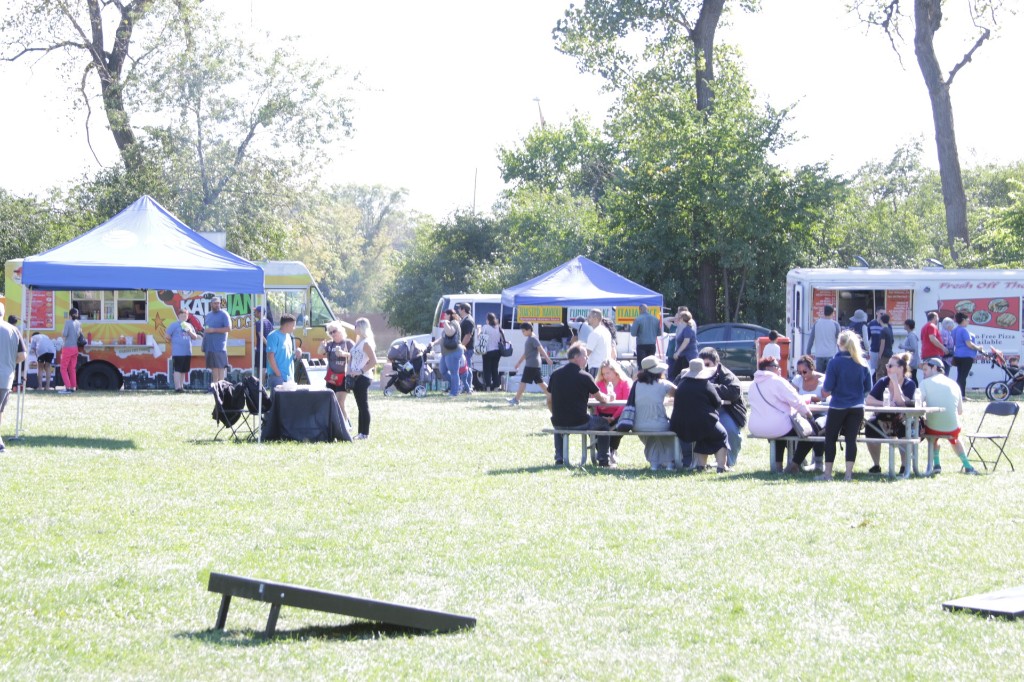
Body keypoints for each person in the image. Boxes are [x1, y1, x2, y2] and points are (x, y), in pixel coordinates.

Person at [748, 357, 820, 474]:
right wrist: (809, 415)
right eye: (777, 366)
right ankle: (795, 464)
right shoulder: (778, 381)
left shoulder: (753, 385)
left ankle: (778, 466)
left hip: (756, 427)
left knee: (779, 430)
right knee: (813, 431)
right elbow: (797, 401)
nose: (780, 369)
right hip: (777, 426)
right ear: (768, 368)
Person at [818, 329, 873, 481]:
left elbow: (827, 388)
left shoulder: (834, 363)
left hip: (838, 405)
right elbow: (868, 388)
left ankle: (828, 474)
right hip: (857, 406)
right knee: (851, 439)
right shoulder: (862, 363)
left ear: (839, 343)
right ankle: (848, 474)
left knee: (830, 438)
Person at [547, 343, 610, 466]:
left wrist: (555, 413)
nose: (587, 359)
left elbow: (549, 400)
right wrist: (609, 397)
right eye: (585, 356)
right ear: (576, 357)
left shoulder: (555, 374)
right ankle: (603, 459)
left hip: (558, 421)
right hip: (580, 422)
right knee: (603, 423)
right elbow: (600, 398)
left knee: (559, 425)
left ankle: (559, 458)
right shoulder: (585, 376)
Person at [918, 358, 981, 475]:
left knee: (930, 434)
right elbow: (960, 411)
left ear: (934, 368)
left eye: (925, 369)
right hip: (953, 428)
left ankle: (936, 464)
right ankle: (967, 466)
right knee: (955, 439)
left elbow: (918, 406)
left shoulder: (924, 383)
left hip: (932, 428)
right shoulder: (954, 384)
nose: (924, 373)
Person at [670, 358, 729, 473]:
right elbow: (717, 402)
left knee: (702, 437)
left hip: (680, 423)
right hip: (703, 422)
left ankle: (701, 467)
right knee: (722, 435)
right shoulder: (705, 384)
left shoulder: (681, 384)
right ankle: (721, 467)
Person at [865, 352, 917, 475]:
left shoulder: (909, 384)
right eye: (887, 365)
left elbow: (902, 403)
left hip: (901, 419)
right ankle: (876, 465)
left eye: (890, 366)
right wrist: (884, 403)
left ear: (901, 368)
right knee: (870, 425)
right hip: (883, 418)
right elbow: (869, 400)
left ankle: (904, 466)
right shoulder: (882, 381)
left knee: (904, 429)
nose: (887, 368)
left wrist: (895, 383)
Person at [699, 347, 746, 467]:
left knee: (730, 430)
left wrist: (708, 387)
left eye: (707, 364)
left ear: (716, 363)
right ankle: (692, 462)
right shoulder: (695, 372)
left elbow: (734, 391)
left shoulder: (727, 375)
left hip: (726, 410)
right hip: (703, 411)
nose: (705, 368)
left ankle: (729, 462)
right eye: (702, 365)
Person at [633, 355, 677, 471]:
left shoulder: (636, 384)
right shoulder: (664, 384)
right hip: (659, 425)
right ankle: (669, 462)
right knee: (665, 433)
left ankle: (654, 463)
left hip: (638, 425)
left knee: (651, 437)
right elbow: (679, 393)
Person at [595, 359, 633, 467]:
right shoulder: (598, 384)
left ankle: (611, 450)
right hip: (601, 414)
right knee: (594, 424)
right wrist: (599, 415)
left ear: (615, 371)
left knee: (621, 425)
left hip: (618, 415)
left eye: (608, 373)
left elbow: (625, 403)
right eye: (603, 374)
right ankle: (602, 452)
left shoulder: (625, 383)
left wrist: (613, 417)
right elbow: (595, 403)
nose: (605, 376)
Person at [791, 354, 826, 470]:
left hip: (820, 413)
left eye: (804, 372)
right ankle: (798, 460)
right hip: (802, 414)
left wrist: (816, 398)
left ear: (812, 368)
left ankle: (816, 462)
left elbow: (827, 398)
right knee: (796, 427)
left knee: (817, 427)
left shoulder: (823, 380)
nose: (802, 375)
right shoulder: (797, 380)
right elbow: (791, 396)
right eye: (799, 372)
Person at [0, 304, 26, 454]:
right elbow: (22, 355)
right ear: (3, 313)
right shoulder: (14, 330)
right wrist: (10, 363)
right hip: (6, 377)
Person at [507, 322, 552, 406]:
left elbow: (541, 349)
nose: (522, 333)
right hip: (533, 364)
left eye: (523, 331)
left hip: (532, 364)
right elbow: (526, 353)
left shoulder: (533, 338)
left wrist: (547, 358)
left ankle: (516, 399)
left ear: (529, 330)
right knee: (540, 382)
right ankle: (552, 396)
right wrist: (519, 363)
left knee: (523, 382)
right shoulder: (530, 338)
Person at [346, 318, 377, 440]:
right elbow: (351, 357)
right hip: (354, 376)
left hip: (363, 377)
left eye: (356, 326)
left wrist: (361, 371)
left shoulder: (366, 343)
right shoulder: (359, 341)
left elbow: (373, 361)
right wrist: (349, 369)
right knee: (360, 406)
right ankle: (361, 433)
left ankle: (365, 433)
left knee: (363, 405)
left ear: (362, 327)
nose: (355, 328)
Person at [320, 321, 353, 426]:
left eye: (334, 331)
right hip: (331, 377)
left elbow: (356, 356)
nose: (332, 334)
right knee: (331, 402)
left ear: (340, 330)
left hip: (344, 377)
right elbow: (320, 352)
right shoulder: (330, 344)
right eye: (330, 333)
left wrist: (344, 354)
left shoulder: (348, 343)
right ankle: (334, 424)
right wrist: (321, 347)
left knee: (339, 402)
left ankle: (345, 424)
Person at [952, 311, 985, 399]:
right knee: (963, 377)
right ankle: (962, 395)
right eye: (967, 320)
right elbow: (969, 344)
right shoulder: (964, 330)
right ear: (963, 320)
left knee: (960, 376)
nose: (968, 321)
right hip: (966, 356)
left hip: (957, 355)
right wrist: (978, 348)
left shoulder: (954, 330)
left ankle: (959, 395)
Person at [166, 309, 198, 393]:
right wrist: (175, 341)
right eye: (182, 315)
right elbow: (167, 335)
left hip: (187, 352)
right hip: (178, 352)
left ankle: (181, 386)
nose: (184, 317)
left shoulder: (189, 325)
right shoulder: (174, 325)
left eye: (186, 315)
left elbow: (195, 337)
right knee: (178, 369)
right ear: (178, 316)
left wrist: (189, 331)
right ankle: (177, 387)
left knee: (184, 370)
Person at [202, 296, 232, 385]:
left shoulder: (224, 314)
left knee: (221, 366)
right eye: (215, 303)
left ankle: (221, 385)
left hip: (220, 346)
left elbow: (229, 328)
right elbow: (206, 328)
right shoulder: (208, 315)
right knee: (213, 367)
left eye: (218, 303)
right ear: (211, 304)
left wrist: (213, 330)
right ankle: (215, 385)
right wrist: (204, 343)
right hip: (209, 346)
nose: (217, 305)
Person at [432, 317, 463, 398]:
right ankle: (456, 385)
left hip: (453, 352)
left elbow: (450, 333)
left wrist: (445, 323)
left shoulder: (454, 323)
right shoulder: (448, 324)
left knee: (454, 372)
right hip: (445, 353)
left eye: (446, 314)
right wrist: (433, 343)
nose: (445, 316)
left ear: (450, 315)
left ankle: (454, 392)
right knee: (442, 370)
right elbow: (443, 338)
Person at [265, 314, 297, 393]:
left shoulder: (288, 336)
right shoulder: (273, 336)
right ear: (287, 325)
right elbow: (270, 356)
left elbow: (286, 354)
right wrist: (278, 374)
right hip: (277, 377)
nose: (294, 328)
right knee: (277, 400)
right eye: (293, 325)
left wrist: (296, 353)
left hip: (288, 377)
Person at [806, 304, 841, 373]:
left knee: (819, 375)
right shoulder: (835, 324)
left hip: (819, 354)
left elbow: (811, 339)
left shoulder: (817, 323)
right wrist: (841, 353)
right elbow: (840, 341)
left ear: (824, 312)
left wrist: (808, 352)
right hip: (830, 354)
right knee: (829, 375)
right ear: (832, 313)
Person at [59, 307, 82, 394]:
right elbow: (78, 335)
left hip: (67, 348)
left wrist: (62, 332)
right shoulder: (78, 323)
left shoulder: (67, 322)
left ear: (69, 315)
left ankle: (68, 387)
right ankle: (73, 386)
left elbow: (65, 334)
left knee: (63, 368)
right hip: (75, 348)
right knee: (72, 368)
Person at [669, 310, 697, 380]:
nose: (678, 318)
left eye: (679, 317)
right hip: (682, 356)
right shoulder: (684, 328)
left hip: (688, 357)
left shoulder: (688, 329)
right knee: (675, 375)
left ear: (682, 319)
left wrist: (677, 352)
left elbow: (686, 341)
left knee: (683, 376)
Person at [585, 308, 612, 378]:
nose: (587, 319)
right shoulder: (606, 331)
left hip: (596, 367)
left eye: (589, 317)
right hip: (606, 367)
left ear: (595, 319)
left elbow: (587, 353)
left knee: (595, 385)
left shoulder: (594, 333)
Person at [920, 311, 946, 383]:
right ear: (934, 317)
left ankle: (926, 388)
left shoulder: (924, 327)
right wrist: (943, 348)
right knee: (937, 373)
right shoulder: (932, 326)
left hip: (926, 354)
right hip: (933, 354)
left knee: (927, 373)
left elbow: (923, 341)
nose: (938, 319)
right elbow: (932, 338)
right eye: (937, 317)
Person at [480, 312, 503, 391]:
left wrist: (479, 330)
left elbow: (481, 337)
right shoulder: (498, 328)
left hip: (488, 351)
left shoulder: (485, 327)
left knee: (487, 370)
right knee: (495, 369)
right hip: (497, 352)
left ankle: (488, 387)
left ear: (488, 320)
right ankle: (496, 387)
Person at [456, 302, 475, 394]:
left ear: (463, 309)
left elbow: (468, 335)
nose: (458, 310)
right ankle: (464, 386)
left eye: (459, 308)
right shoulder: (464, 320)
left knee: (467, 368)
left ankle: (468, 387)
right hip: (465, 348)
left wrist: (461, 346)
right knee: (463, 368)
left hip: (467, 349)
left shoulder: (468, 321)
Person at [899, 318, 921, 386]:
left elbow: (913, 348)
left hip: (912, 359)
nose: (904, 326)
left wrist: (903, 347)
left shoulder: (911, 335)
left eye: (905, 324)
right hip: (911, 359)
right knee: (912, 375)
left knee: (912, 376)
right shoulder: (911, 335)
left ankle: (915, 388)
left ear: (908, 326)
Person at [253, 305, 274, 377]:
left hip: (261, 349)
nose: (254, 313)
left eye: (255, 312)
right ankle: (263, 383)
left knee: (261, 368)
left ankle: (260, 383)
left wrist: (268, 344)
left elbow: (261, 337)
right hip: (268, 350)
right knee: (265, 367)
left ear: (260, 313)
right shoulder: (269, 322)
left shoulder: (259, 323)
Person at [875, 312, 895, 381]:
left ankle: (879, 386)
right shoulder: (889, 330)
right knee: (887, 372)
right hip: (889, 353)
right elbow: (892, 341)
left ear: (881, 320)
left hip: (884, 355)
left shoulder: (883, 331)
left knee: (880, 373)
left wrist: (879, 355)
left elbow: (882, 344)